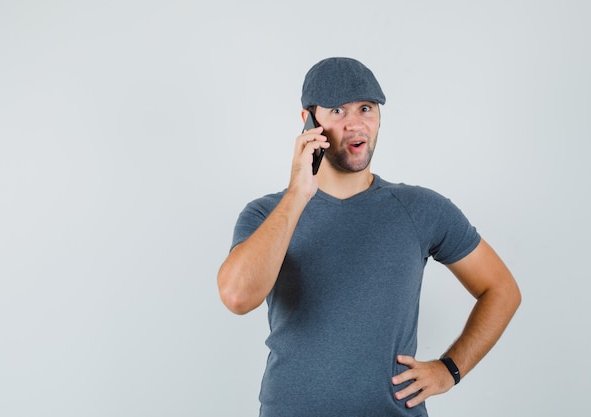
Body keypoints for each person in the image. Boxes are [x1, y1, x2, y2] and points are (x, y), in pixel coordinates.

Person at [217, 57, 521, 416]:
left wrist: (449, 370)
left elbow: (502, 290)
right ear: (309, 122)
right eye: (337, 111)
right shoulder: (268, 214)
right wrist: (298, 194)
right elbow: (237, 297)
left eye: (366, 108)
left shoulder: (420, 208)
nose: (355, 124)